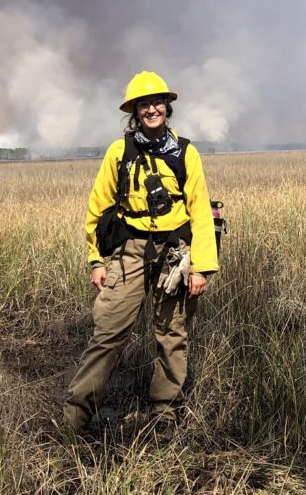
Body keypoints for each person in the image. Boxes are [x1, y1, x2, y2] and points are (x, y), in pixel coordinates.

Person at [64, 71, 219, 433]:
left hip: (175, 255)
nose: (152, 109)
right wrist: (96, 259)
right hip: (128, 252)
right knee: (108, 334)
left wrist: (202, 267)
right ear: (134, 111)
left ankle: (164, 412)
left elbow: (199, 209)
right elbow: (98, 207)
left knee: (172, 333)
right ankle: (76, 418)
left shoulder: (185, 152)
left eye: (157, 102)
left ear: (168, 107)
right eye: (144, 104)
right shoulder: (120, 151)